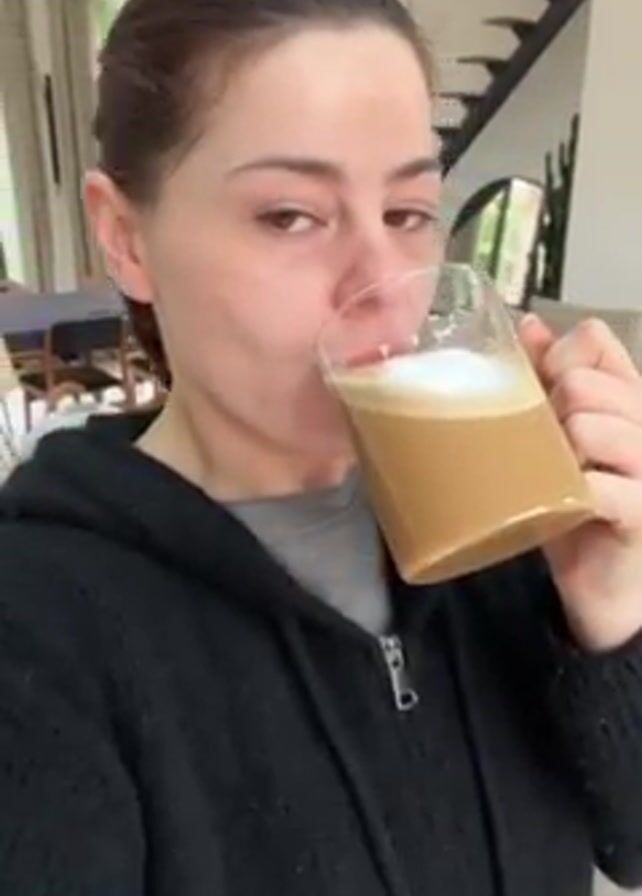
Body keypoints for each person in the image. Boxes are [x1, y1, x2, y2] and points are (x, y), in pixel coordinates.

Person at [2, 1, 642, 894]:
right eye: (291, 216)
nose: (382, 283)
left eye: (409, 211)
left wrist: (612, 613)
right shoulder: (36, 625)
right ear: (125, 236)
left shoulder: (508, 537)